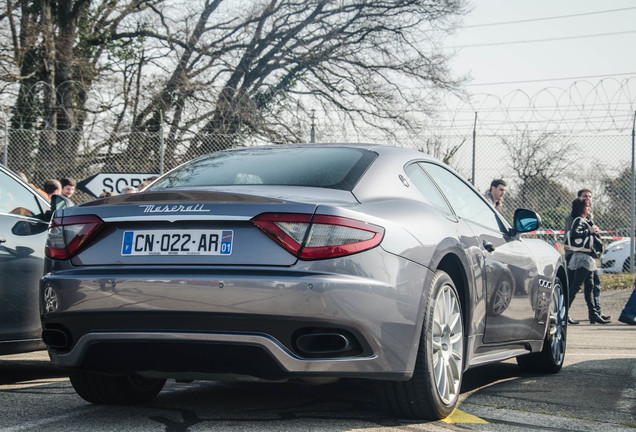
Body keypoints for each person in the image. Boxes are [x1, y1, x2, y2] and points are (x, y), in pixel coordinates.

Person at [563, 189, 610, 324]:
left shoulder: (587, 219)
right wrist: (589, 231)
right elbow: (573, 235)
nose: (589, 208)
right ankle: (564, 313)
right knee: (575, 286)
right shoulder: (577, 219)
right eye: (587, 206)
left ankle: (594, 314)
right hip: (580, 258)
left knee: (590, 286)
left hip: (588, 258)